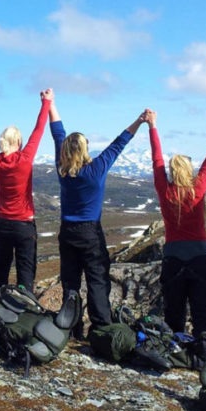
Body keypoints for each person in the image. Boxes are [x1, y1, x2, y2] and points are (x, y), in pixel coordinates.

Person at [49, 96, 145, 336]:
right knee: (97, 281)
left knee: (70, 283)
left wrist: (49, 103)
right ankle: (101, 329)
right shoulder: (96, 169)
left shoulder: (62, 168)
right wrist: (140, 121)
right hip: (90, 232)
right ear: (84, 148)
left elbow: (57, 133)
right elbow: (118, 144)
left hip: (67, 232)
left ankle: (71, 329)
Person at [145, 108, 206, 357]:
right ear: (189, 170)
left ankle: (176, 355)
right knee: (202, 313)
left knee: (174, 314)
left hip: (173, 259)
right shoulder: (198, 188)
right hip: (201, 258)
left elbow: (156, 159)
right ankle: (203, 352)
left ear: (173, 172)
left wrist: (152, 125)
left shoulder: (166, 191)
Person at [0, 87, 51, 292]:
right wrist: (46, 102)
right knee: (26, 273)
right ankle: (25, 308)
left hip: (2, 224)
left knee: (0, 272)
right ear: (19, 142)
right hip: (24, 225)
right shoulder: (25, 158)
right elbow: (38, 130)